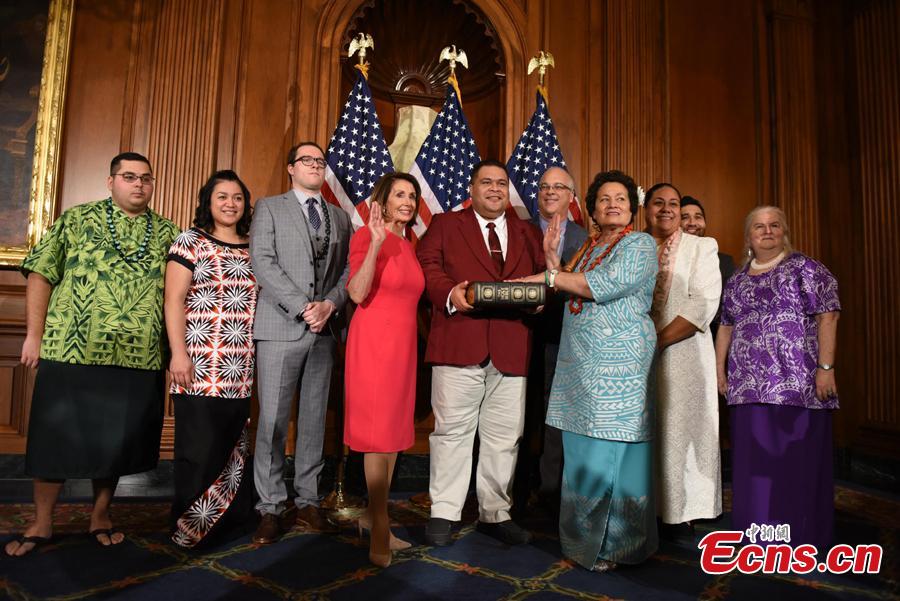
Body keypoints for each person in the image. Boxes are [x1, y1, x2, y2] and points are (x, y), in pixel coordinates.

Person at [5, 152, 179, 557]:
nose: (139, 185)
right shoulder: (77, 219)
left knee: (114, 443)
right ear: (110, 181)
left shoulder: (170, 232)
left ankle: (100, 516)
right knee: (53, 440)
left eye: (146, 179)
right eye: (129, 177)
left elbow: (179, 296)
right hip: (71, 348)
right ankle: (42, 522)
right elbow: (41, 272)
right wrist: (34, 334)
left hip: (138, 356)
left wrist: (175, 353)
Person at [518, 169, 658, 571]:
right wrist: (551, 262)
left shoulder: (641, 244)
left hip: (620, 368)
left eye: (620, 198)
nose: (612, 204)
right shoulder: (590, 247)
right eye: (603, 199)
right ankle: (582, 543)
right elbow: (567, 283)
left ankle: (614, 546)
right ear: (592, 209)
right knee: (581, 454)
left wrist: (549, 273)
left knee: (610, 454)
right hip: (580, 364)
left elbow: (602, 285)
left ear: (632, 206)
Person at [417, 160, 545, 547]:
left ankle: (495, 512)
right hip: (459, 341)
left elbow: (543, 275)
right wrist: (451, 294)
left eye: (501, 184)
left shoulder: (528, 231)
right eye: (486, 183)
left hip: (511, 346)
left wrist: (540, 300)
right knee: (452, 432)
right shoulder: (444, 224)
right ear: (471, 190)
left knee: (504, 436)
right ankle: (445, 511)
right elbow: (428, 267)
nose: (495, 189)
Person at [716, 205, 840, 549]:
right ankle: (759, 537)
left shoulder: (806, 268)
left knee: (795, 465)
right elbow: (725, 325)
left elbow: (827, 317)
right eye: (759, 226)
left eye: (774, 225)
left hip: (798, 385)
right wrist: (719, 371)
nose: (767, 231)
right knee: (754, 465)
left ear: (784, 231)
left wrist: (825, 369)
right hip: (747, 386)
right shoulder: (737, 279)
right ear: (748, 236)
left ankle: (799, 539)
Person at [249, 142, 352, 544]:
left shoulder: (340, 217)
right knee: (272, 422)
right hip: (280, 327)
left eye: (320, 162)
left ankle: (308, 501)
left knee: (312, 423)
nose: (315, 166)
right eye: (307, 160)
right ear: (291, 168)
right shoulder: (270, 207)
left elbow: (347, 270)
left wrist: (329, 304)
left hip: (323, 332)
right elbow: (263, 261)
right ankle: (270, 507)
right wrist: (303, 306)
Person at [165, 170, 257, 548]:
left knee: (231, 446)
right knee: (198, 449)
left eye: (237, 197)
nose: (230, 204)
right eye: (222, 197)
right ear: (208, 201)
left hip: (240, 366)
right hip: (199, 363)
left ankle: (229, 522)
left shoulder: (254, 246)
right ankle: (190, 529)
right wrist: (178, 354)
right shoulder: (190, 242)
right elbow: (173, 301)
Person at [344, 173, 425, 567]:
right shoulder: (366, 237)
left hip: (403, 349)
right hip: (373, 345)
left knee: (392, 437)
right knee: (376, 437)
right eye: (399, 195)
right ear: (384, 201)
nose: (407, 201)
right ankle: (378, 527)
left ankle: (375, 518)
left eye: (412, 195)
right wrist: (375, 244)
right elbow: (357, 293)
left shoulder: (411, 245)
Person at [644, 183, 722, 539]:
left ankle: (683, 510)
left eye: (673, 203)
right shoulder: (636, 246)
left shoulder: (701, 247)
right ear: (645, 209)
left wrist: (654, 342)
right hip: (635, 357)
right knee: (646, 430)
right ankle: (648, 506)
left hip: (684, 353)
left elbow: (701, 303)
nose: (667, 209)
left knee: (680, 429)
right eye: (658, 203)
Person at [527, 166, 587, 509]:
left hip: (565, 338)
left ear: (570, 196)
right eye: (544, 187)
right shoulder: (519, 231)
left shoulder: (585, 239)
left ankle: (551, 492)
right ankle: (516, 494)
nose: (550, 192)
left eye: (559, 187)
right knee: (518, 417)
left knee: (555, 419)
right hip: (519, 336)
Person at [680, 195, 735, 340]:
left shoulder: (725, 262)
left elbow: (729, 311)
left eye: (698, 217)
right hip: (676, 338)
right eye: (685, 217)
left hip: (714, 340)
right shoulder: (666, 260)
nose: (692, 223)